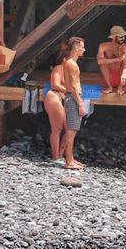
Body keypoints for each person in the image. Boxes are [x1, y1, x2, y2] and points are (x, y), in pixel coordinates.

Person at [60, 37, 87, 171]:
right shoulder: (72, 64)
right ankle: (68, 161)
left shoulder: (69, 62)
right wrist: (80, 104)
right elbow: (75, 86)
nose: (84, 49)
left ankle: (70, 158)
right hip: (73, 98)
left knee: (72, 130)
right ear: (76, 48)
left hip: (71, 97)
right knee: (71, 131)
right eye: (82, 47)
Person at [42, 60, 68, 165]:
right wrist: (71, 91)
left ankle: (61, 155)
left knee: (70, 129)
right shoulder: (59, 68)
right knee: (57, 128)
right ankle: (55, 156)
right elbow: (55, 84)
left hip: (64, 98)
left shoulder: (73, 70)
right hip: (54, 96)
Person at [97, 25, 126, 95]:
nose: (123, 38)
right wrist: (118, 59)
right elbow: (99, 61)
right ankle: (110, 87)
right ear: (113, 37)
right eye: (121, 37)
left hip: (123, 78)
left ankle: (120, 88)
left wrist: (124, 71)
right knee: (102, 64)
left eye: (124, 36)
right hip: (109, 78)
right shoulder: (103, 46)